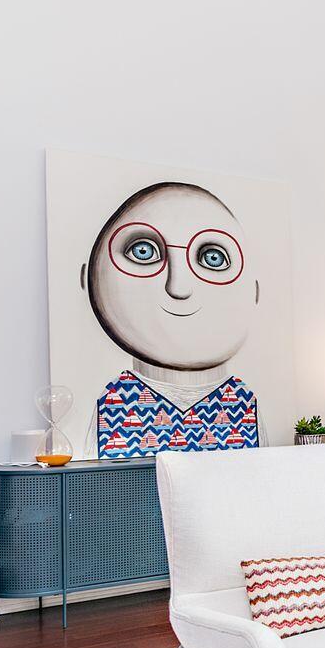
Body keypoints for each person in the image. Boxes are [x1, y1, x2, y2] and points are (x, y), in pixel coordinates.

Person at [83, 181, 261, 457]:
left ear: (255, 292)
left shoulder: (244, 401)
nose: (178, 287)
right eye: (143, 251)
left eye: (213, 258)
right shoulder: (112, 401)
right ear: (89, 276)